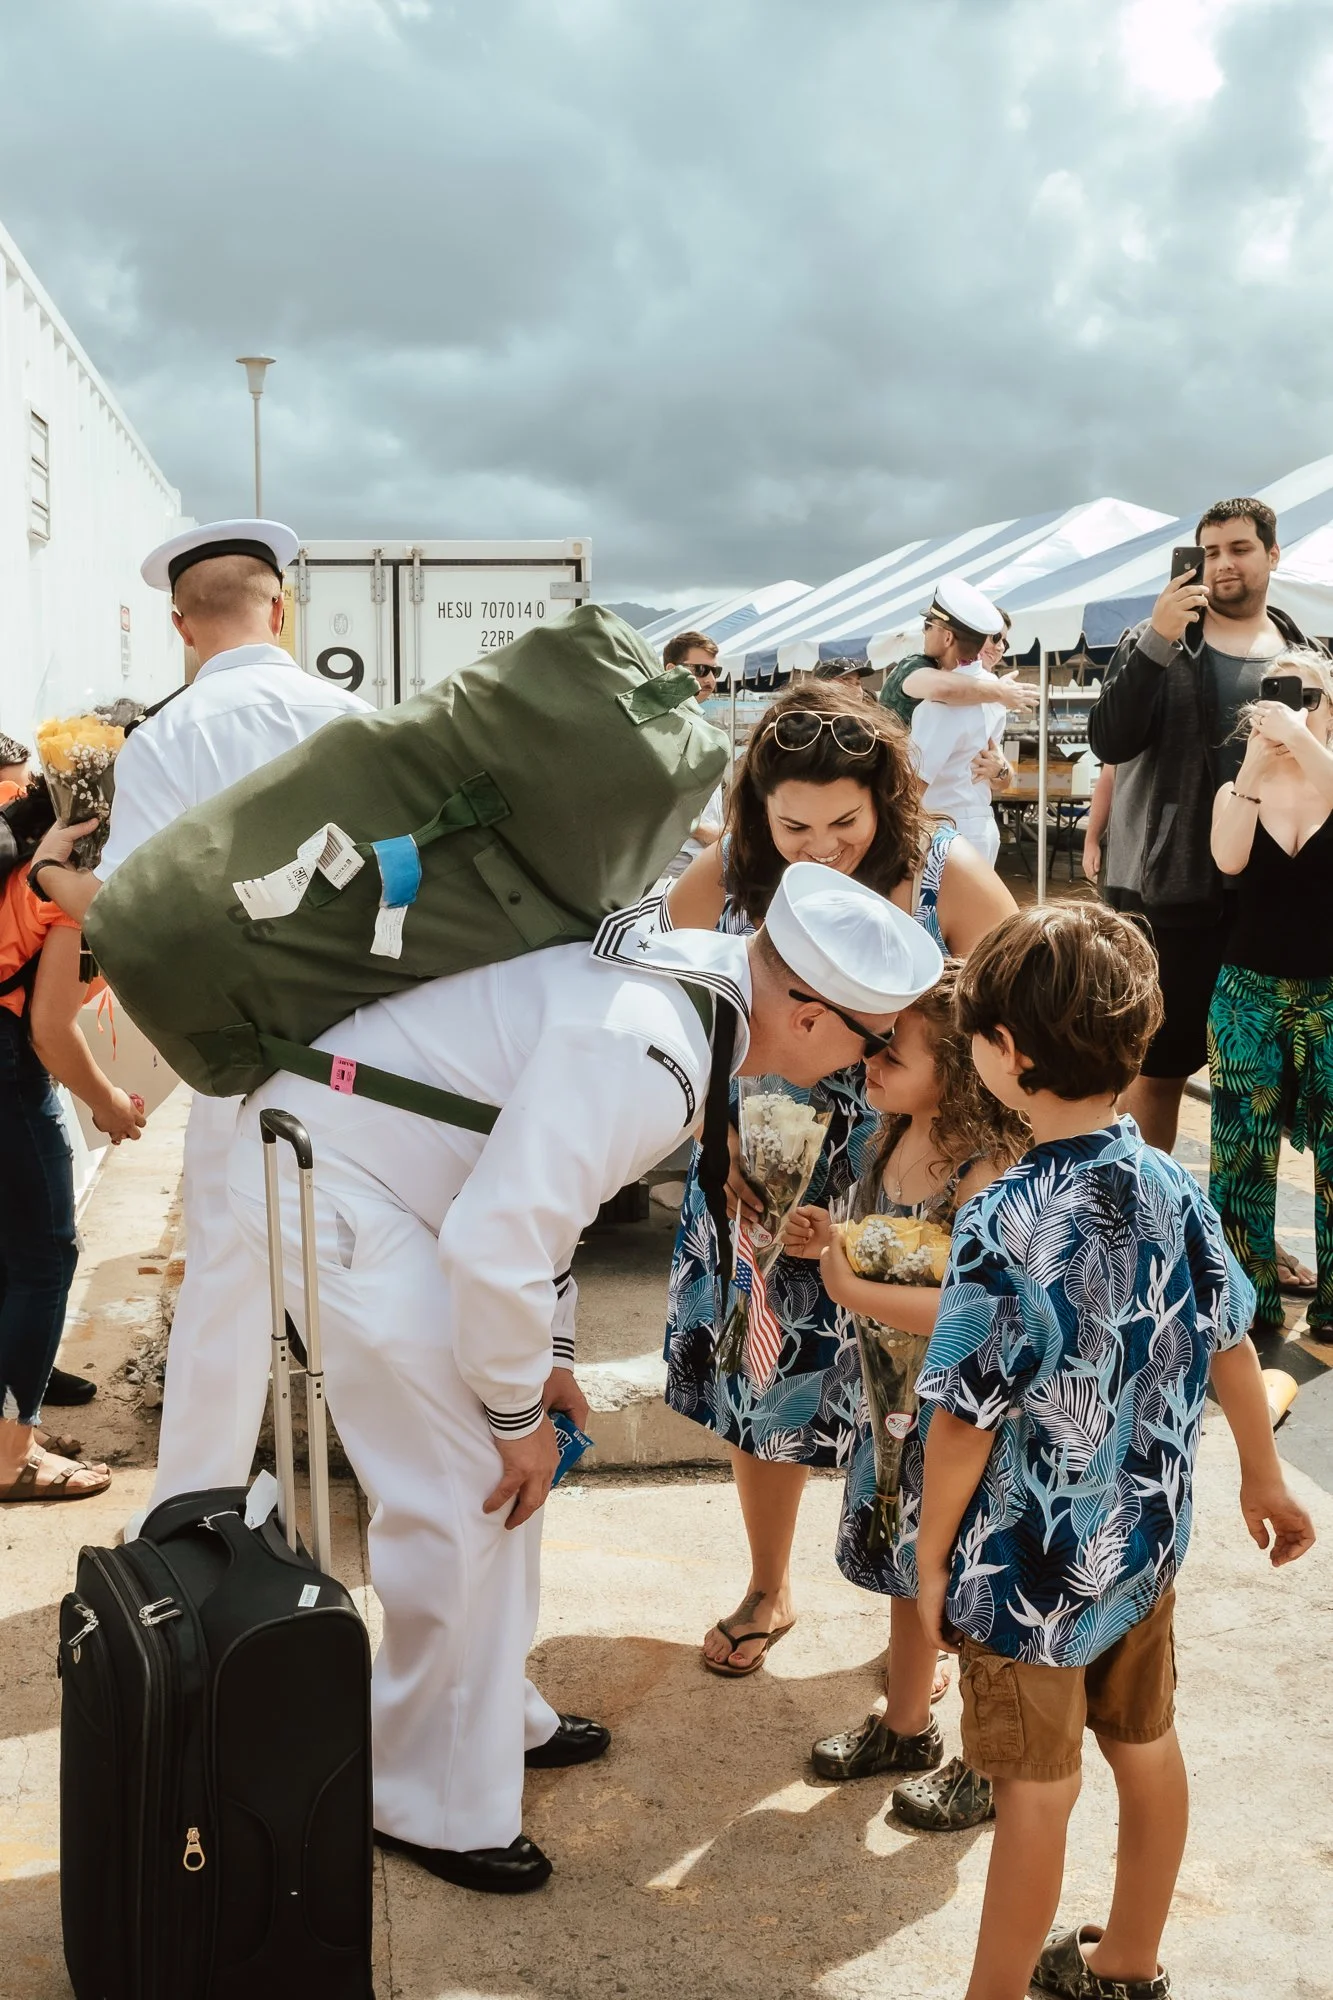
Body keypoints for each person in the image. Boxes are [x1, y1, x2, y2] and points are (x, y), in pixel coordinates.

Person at [219, 865, 942, 1894]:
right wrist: (516, 1410)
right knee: (463, 1487)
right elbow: (497, 1235)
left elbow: (535, 1200)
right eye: (870, 1043)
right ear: (812, 1013)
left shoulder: (694, 987)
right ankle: (423, 1795)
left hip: (385, 1175)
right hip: (338, 1182)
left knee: (501, 1483)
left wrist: (548, 1360)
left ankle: (487, 1715)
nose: (861, 1069)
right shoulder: (656, 1052)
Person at [910, 904, 1315, 2000]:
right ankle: (1125, 1959)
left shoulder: (1005, 1218)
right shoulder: (1170, 1181)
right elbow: (1231, 1333)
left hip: (1025, 1569)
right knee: (1146, 1746)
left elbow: (962, 1415)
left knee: (1034, 1794)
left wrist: (933, 1554)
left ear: (1004, 1053)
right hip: (1142, 1544)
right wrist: (1262, 1472)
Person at [665, 681, 1015, 1676]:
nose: (820, 845)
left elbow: (1018, 1026)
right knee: (762, 1386)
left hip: (907, 1181)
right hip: (760, 1169)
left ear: (886, 802)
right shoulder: (728, 877)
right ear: (756, 812)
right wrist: (711, 1130)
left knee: (906, 1393)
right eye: (794, 825)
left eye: (845, 822)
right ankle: (768, 1585)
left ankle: (915, 1614)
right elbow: (666, 1009)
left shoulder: (949, 877)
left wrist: (977, 1168)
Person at [30, 519, 370, 1521]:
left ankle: (198, 1516)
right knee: (369, 1278)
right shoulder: (356, 717)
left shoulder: (169, 737)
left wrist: (52, 873)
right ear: (281, 607)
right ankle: (419, 1508)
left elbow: (137, 907)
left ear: (182, 624)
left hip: (240, 1054)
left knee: (229, 1288)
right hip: (367, 1041)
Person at [804, 963, 1027, 1834]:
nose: (871, 1057)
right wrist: (824, 1240)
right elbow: (868, 1245)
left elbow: (971, 1309)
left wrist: (848, 1288)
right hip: (886, 1396)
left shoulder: (982, 1171)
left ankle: (985, 1761)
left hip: (956, 1407)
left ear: (960, 1070)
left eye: (891, 1048)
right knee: (906, 1566)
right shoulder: (881, 1139)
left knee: (961, 1577)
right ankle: (904, 1724)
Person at [1088, 497, 1319, 1202]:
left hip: (1271, 894)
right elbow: (1109, 741)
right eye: (1209, 550)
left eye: (1239, 548)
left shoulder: (1303, 653)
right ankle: (1144, 1226)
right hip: (1167, 890)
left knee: (1253, 1081)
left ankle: (1239, 1243)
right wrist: (1156, 639)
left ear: (1272, 556)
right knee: (1155, 1067)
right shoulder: (1155, 640)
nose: (1222, 563)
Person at [0, 837, 146, 1502]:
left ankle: (14, 1415)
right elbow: (51, 1031)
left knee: (11, 1254)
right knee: (45, 1258)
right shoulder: (66, 882)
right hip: (6, 1074)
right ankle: (10, 1456)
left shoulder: (28, 851)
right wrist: (109, 1103)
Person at [1209, 648, 1333, 1344]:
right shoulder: (1237, 790)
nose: (1293, 708)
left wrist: (1304, 736)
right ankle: (1242, 1303)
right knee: (1239, 1156)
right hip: (1246, 992)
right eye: (1278, 695)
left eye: (1309, 696)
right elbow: (1226, 859)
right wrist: (1254, 763)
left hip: (1330, 993)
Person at [908, 581, 1012, 864]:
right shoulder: (992, 686)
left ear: (946, 637)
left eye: (929, 625)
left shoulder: (939, 707)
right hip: (980, 823)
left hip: (945, 830)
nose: (924, 631)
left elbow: (913, 785)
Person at [879, 589, 1037, 733]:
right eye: (995, 638)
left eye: (1005, 643)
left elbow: (989, 753)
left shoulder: (981, 689)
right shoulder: (915, 665)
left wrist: (999, 765)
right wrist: (1001, 692)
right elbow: (942, 688)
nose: (1000, 647)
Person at [662, 632, 725, 879]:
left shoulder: (698, 722)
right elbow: (658, 796)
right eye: (700, 669)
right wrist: (702, 831)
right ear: (671, 669)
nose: (709, 679)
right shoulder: (663, 724)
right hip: (674, 865)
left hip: (702, 859)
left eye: (714, 671)